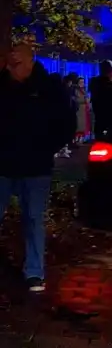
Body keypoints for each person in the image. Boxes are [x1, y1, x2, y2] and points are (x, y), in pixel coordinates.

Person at [0, 44, 76, 292]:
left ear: (30, 61)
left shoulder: (48, 87)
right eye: (11, 63)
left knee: (33, 219)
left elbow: (66, 121)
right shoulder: (3, 85)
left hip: (35, 166)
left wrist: (47, 147)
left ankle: (34, 272)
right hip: (4, 164)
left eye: (18, 62)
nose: (13, 67)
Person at [89, 60, 112, 138]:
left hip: (99, 125)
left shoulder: (95, 86)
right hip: (111, 127)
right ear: (111, 72)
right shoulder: (109, 88)